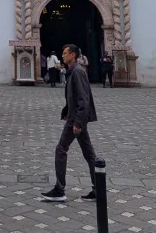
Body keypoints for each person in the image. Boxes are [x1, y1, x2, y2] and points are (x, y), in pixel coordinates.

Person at [42, 44, 98, 202]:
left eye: (65, 53)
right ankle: (97, 188)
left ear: (73, 55)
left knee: (60, 150)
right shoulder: (74, 71)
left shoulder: (77, 72)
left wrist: (78, 123)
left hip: (76, 119)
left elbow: (83, 99)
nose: (63, 55)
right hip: (77, 118)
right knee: (89, 154)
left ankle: (59, 189)